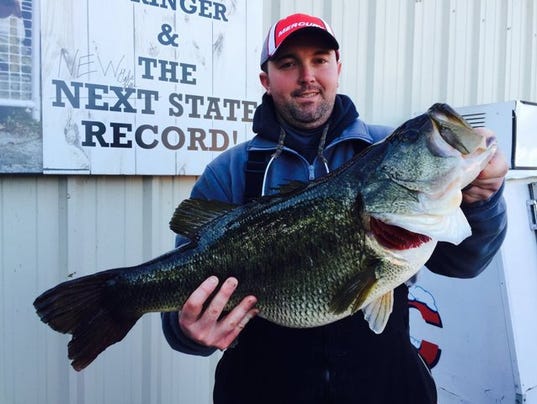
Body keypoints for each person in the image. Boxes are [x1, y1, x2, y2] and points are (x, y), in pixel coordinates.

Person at [161, 13, 508, 404]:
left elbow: (464, 263)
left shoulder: (384, 148)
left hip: (386, 385)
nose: (307, 75)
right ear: (266, 79)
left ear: (338, 68)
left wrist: (483, 199)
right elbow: (181, 297)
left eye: (320, 59)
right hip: (261, 388)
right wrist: (187, 332)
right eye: (288, 63)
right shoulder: (229, 172)